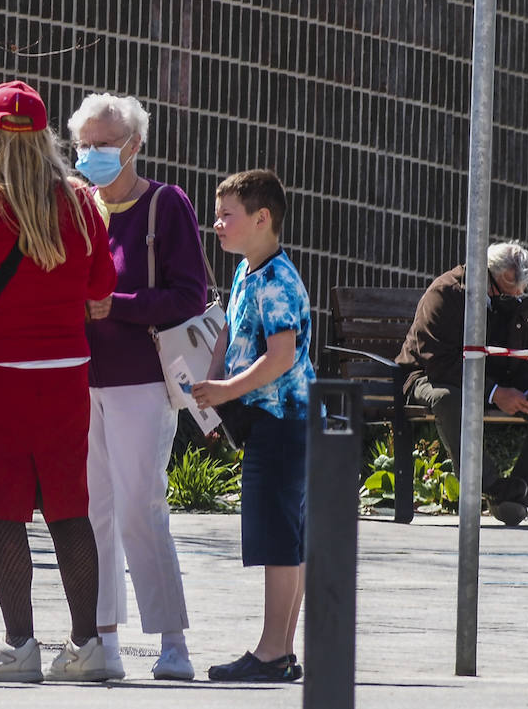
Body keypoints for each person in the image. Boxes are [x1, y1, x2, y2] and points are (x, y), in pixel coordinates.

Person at [0, 81, 117, 683]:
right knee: (69, 510)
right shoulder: (84, 203)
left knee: (4, 511)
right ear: (45, 138)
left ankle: (19, 646)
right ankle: (87, 646)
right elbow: (99, 290)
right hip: (65, 375)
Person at [68, 92, 204, 681]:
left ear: (134, 145)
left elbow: (188, 296)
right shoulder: (73, 206)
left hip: (141, 380)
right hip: (78, 381)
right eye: (85, 144)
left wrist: (113, 306)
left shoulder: (165, 205)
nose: (94, 153)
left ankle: (172, 642)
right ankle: (103, 641)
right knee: (92, 511)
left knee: (140, 510)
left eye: (105, 143)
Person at [191, 169, 314, 683]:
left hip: (285, 422)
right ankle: (280, 650)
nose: (216, 224)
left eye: (227, 215)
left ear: (262, 219)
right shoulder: (248, 271)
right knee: (284, 536)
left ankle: (271, 652)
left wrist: (224, 391)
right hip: (265, 420)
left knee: (278, 538)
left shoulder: (279, 278)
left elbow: (281, 357)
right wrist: (213, 395)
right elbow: (230, 337)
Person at [396, 241, 528, 526]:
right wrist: (494, 393)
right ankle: (492, 487)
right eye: (509, 293)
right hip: (431, 376)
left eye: (521, 293)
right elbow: (439, 362)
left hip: (498, 380)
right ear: (487, 276)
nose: (517, 298)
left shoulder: (522, 299)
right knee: (449, 400)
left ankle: (516, 499)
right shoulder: (445, 294)